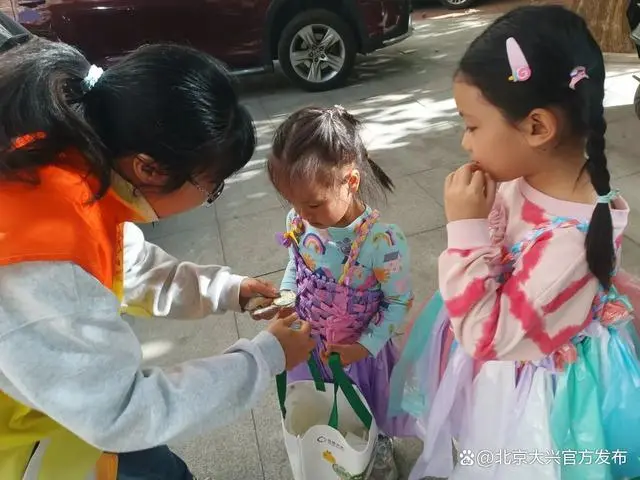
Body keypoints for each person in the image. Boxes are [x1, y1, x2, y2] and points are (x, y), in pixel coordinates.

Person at [0, 24, 315, 480]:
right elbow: (124, 413)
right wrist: (265, 358)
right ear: (147, 167)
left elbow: (130, 265)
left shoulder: (72, 170)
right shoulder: (44, 260)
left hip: (71, 410)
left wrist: (228, 290)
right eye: (211, 186)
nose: (213, 196)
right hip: (35, 445)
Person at [388, 6, 640, 480]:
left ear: (537, 127)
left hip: (540, 399)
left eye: (472, 125)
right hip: (514, 357)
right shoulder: (526, 176)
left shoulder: (569, 248)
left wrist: (466, 232)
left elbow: (486, 337)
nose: (465, 143)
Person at [265, 105, 416, 470]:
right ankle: (328, 446)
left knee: (365, 408)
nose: (302, 214)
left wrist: (362, 348)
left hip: (359, 352)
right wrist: (287, 298)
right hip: (308, 343)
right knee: (322, 404)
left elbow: (398, 302)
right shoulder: (299, 222)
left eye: (313, 203)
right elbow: (296, 264)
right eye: (294, 204)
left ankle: (375, 446)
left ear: (350, 181)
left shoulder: (382, 242)